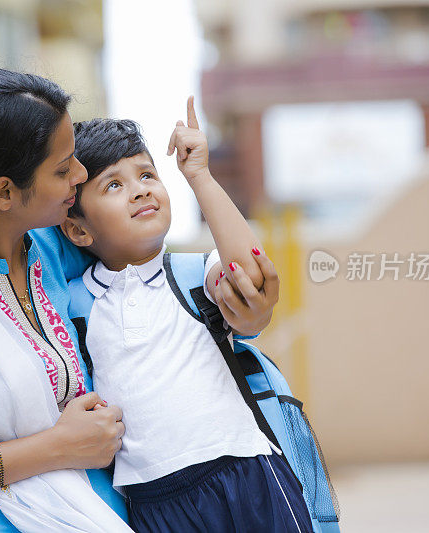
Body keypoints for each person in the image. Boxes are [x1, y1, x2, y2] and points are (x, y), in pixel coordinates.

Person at [0, 69, 278, 533]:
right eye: (62, 169)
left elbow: (170, 272)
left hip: (111, 511)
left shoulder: (52, 250)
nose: (81, 175)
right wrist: (55, 446)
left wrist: (247, 301)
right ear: (5, 193)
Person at [59, 99, 313, 532]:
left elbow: (248, 275)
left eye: (146, 175)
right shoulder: (74, 303)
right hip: (153, 501)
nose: (140, 189)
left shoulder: (195, 273)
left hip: (246, 474)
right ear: (79, 229)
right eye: (113, 185)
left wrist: (200, 177)